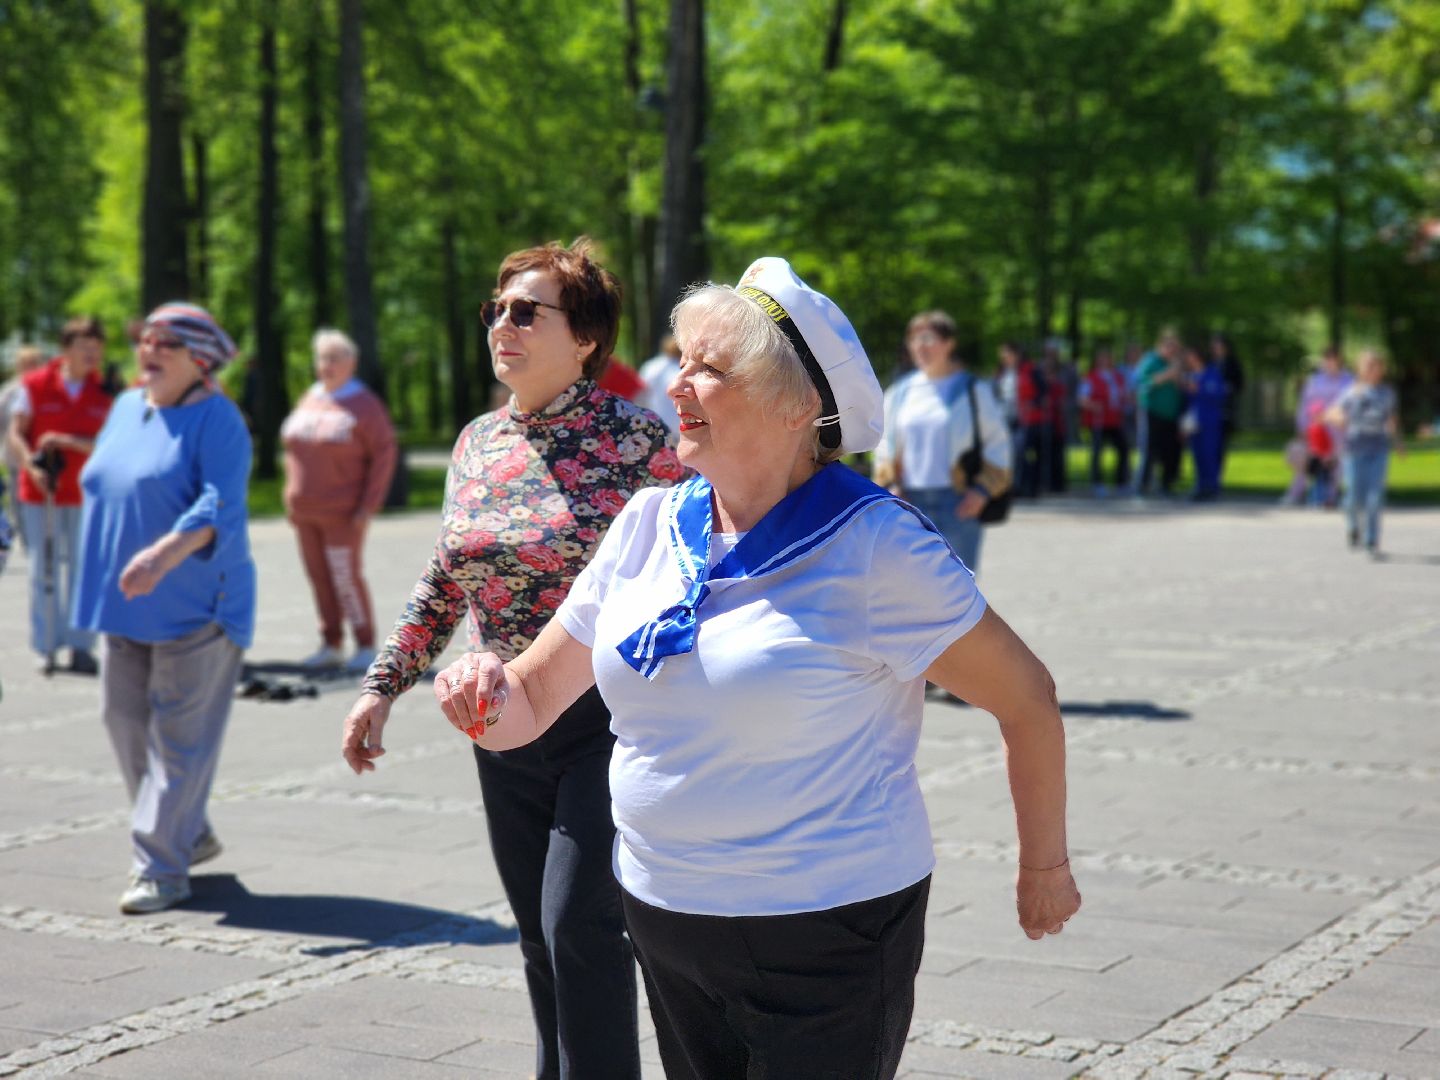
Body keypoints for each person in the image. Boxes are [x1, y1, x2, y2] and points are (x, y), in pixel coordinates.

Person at [399, 258, 1080, 1080]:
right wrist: (478, 694)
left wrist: (1044, 867)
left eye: (710, 370)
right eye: (680, 363)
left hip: (825, 929)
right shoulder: (649, 522)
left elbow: (1028, 699)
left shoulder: (876, 544)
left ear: (798, 407)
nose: (677, 386)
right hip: (664, 914)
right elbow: (534, 696)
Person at [340, 238, 680, 1080]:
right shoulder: (477, 443)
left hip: (606, 717)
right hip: (498, 720)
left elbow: (691, 568)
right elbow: (446, 575)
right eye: (497, 309)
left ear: (587, 339)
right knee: (537, 934)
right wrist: (382, 686)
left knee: (580, 928)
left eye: (529, 311)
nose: (504, 325)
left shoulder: (641, 442)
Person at [71, 303, 254, 914]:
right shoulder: (127, 408)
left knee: (179, 739)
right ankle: (187, 832)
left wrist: (163, 554)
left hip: (197, 604)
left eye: (165, 344)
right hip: (123, 605)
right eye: (143, 339)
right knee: (122, 720)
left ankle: (162, 868)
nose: (146, 349)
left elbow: (220, 504)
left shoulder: (219, 420)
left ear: (199, 361)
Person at [281, 329, 398, 672]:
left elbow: (384, 454)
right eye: (322, 358)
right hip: (305, 513)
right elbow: (294, 451)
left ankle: (364, 644)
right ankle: (331, 643)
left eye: (335, 358)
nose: (327, 365)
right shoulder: (310, 397)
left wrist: (368, 506)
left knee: (344, 577)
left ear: (352, 363)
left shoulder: (364, 404)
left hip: (343, 514)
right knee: (319, 578)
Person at [5, 317, 114, 673]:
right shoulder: (34, 385)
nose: (91, 355)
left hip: (87, 494)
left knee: (85, 569)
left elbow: (112, 443)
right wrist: (30, 468)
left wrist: (69, 442)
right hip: (42, 494)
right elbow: (15, 434)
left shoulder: (106, 391)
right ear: (66, 350)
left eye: (96, 348)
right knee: (44, 566)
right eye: (84, 347)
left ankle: (82, 645)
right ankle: (46, 645)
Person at [872, 310, 1011, 574]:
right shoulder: (899, 393)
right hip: (909, 505)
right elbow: (883, 443)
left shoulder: (972, 390)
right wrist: (889, 484)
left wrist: (982, 491)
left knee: (960, 592)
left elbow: (998, 442)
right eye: (914, 340)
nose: (919, 346)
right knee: (911, 586)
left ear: (949, 344)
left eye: (927, 338)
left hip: (957, 503)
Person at [1327, 350, 1400, 555]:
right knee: (1353, 496)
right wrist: (1338, 418)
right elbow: (1333, 411)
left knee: (1375, 495)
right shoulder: (1353, 392)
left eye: (1376, 366)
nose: (1372, 370)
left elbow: (1391, 418)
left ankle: (1372, 538)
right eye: (1368, 366)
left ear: (1382, 369)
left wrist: (1398, 441)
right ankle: (1353, 525)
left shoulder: (1387, 393)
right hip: (1355, 449)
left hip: (1378, 448)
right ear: (1361, 369)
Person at [1285, 347, 1353, 506]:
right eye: (1327, 360)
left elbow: (1351, 406)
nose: (1330, 363)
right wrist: (1302, 427)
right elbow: (1304, 406)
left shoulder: (1348, 380)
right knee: (1305, 459)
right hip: (1316, 429)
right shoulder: (1315, 381)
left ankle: (1329, 495)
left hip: (1339, 430)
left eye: (1333, 359)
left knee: (1337, 463)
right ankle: (1297, 492)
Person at [1133, 331, 1185, 497]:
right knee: (1149, 448)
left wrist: (1177, 376)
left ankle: (1166, 484)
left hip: (1170, 414)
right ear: (1161, 345)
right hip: (1151, 410)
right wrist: (1168, 374)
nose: (1172, 350)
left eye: (1175, 348)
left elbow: (1180, 388)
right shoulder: (1150, 360)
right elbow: (1143, 382)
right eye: (1170, 346)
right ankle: (1142, 485)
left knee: (1169, 450)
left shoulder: (1176, 363)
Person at [0, 345, 46, 532]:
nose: (31, 367)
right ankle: (24, 533)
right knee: (18, 496)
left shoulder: (45, 388)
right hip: (14, 454)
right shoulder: (9, 391)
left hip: (39, 452)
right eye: (26, 364)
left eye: (34, 363)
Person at [1079, 346, 1130, 495]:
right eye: (1103, 358)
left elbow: (1124, 395)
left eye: (1108, 358)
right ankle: (1097, 483)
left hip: (1115, 420)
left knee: (1123, 448)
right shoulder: (1091, 377)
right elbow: (1082, 398)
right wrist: (1093, 405)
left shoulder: (1117, 376)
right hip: (1098, 420)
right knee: (1097, 451)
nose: (1106, 361)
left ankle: (1121, 482)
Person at [1183, 343, 1228, 501]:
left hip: (1210, 420)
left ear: (1197, 357)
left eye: (1190, 356)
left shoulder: (1212, 373)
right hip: (1193, 421)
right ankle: (1200, 486)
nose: (1188, 360)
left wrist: (1199, 390)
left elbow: (1219, 395)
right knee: (1197, 454)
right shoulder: (1189, 376)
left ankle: (1212, 487)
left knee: (1210, 453)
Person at [636, 334, 682, 435]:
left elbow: (641, 397)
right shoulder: (680, 370)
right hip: (677, 424)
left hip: (654, 422)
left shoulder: (650, 367)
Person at [1212, 333, 1245, 474]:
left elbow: (1240, 385)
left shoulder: (1233, 364)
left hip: (1225, 409)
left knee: (1221, 445)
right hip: (1210, 407)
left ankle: (1217, 475)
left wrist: (1228, 387)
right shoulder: (1210, 363)